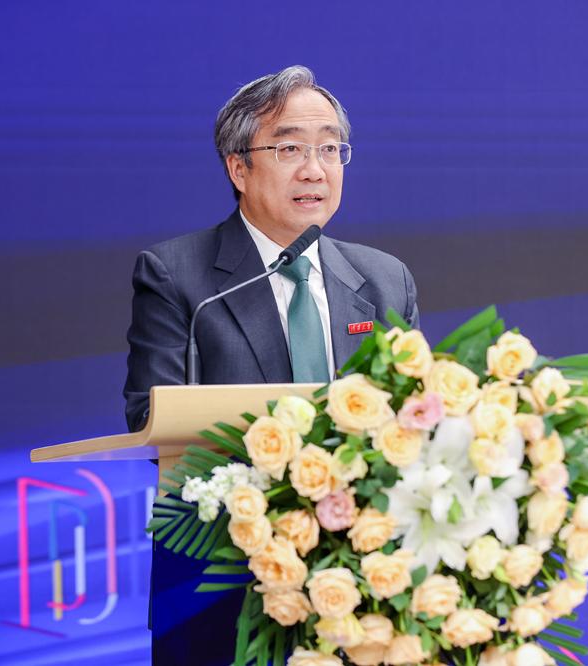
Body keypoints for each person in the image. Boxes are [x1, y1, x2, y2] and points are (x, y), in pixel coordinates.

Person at [123, 66, 419, 664]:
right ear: (239, 168)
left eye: (330, 149)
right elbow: (149, 416)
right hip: (224, 586)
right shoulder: (178, 275)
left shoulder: (384, 279)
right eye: (290, 149)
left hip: (367, 583)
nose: (315, 169)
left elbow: (417, 419)